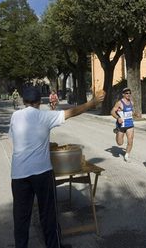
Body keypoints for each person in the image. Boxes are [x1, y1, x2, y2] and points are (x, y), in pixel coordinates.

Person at [9, 86, 105, 248]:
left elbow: (14, 139)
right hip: (41, 172)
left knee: (21, 217)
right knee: (48, 214)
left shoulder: (15, 116)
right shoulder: (44, 116)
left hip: (18, 173)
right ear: (40, 102)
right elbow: (72, 112)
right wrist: (92, 102)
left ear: (24, 101)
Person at [110, 87, 135, 162]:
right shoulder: (119, 103)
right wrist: (118, 118)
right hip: (121, 125)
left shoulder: (132, 102)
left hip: (130, 124)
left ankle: (127, 156)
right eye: (126, 93)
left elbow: (131, 111)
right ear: (123, 94)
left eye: (129, 93)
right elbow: (112, 112)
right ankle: (117, 132)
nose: (128, 94)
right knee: (120, 143)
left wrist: (133, 113)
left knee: (130, 140)